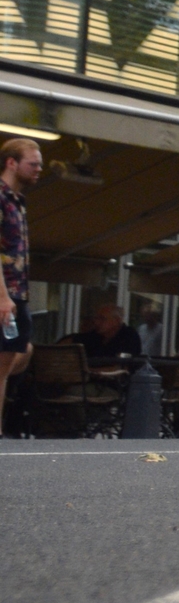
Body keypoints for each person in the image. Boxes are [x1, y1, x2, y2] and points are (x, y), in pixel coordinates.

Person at [0, 136, 41, 434]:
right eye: (33, 164)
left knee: (20, 353)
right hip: (6, 293)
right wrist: (3, 296)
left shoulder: (18, 201)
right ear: (11, 163)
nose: (38, 169)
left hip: (17, 292)